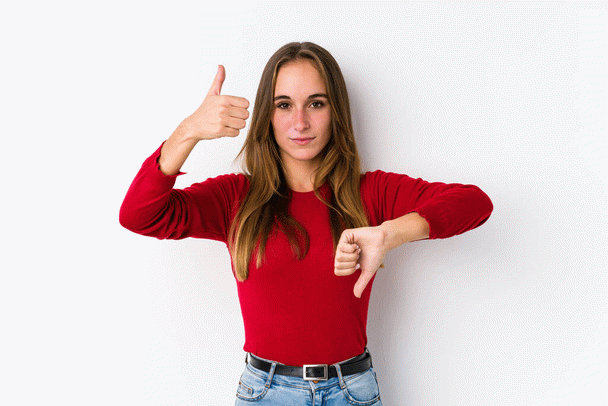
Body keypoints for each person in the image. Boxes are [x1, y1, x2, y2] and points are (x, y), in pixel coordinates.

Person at [120, 42, 493, 405]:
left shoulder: (370, 192)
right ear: (267, 115)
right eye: (284, 105)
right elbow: (139, 215)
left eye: (316, 103)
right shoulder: (236, 198)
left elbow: (474, 203)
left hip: (352, 391)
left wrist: (389, 234)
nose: (300, 122)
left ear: (335, 111)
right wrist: (188, 131)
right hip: (264, 393)